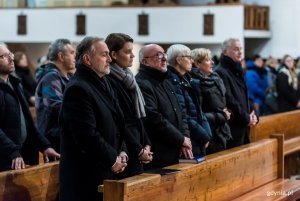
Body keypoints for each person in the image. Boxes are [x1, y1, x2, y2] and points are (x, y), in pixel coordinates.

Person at [59, 36, 128, 201]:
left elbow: (118, 122)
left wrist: (122, 150)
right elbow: (86, 134)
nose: (110, 59)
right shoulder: (78, 88)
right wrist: (113, 158)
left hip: (106, 168)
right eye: (104, 55)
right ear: (87, 59)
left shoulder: (104, 82)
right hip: (86, 177)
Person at [0, 44, 60, 171]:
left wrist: (44, 146)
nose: (11, 58)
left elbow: (27, 121)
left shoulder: (15, 83)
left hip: (21, 155)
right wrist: (12, 151)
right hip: (5, 158)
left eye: (11, 54)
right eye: (4, 56)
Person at [135, 44, 192, 169]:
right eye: (158, 55)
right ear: (145, 61)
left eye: (164, 54)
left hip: (177, 149)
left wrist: (185, 138)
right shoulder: (142, 83)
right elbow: (153, 118)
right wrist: (180, 139)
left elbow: (181, 112)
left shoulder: (166, 81)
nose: (164, 58)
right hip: (159, 154)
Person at [105, 33, 152, 177]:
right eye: (127, 51)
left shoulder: (128, 77)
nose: (132, 55)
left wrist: (147, 144)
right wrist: (138, 149)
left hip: (138, 144)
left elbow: (139, 117)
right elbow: (121, 121)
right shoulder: (110, 81)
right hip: (125, 150)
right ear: (113, 54)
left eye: (132, 51)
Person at [166, 44, 211, 157]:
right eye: (188, 57)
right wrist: (203, 135)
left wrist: (207, 133)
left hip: (198, 137)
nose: (192, 61)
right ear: (178, 60)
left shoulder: (187, 79)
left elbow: (199, 110)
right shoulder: (172, 81)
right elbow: (184, 114)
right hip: (190, 138)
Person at [215, 38, 258, 148]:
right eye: (235, 49)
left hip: (244, 126)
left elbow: (245, 96)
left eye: (240, 49)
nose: (240, 52)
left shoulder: (238, 70)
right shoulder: (220, 71)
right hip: (233, 128)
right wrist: (246, 118)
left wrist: (254, 115)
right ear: (225, 52)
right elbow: (229, 100)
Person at [35, 39, 75, 153]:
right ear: (61, 56)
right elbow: (55, 106)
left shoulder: (69, 77)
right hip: (54, 137)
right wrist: (81, 110)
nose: (74, 57)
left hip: (65, 134)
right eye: (71, 53)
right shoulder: (51, 77)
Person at [190, 48, 232, 154]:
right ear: (197, 63)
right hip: (208, 133)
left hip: (221, 131)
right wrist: (222, 115)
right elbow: (197, 114)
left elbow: (223, 103)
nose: (212, 62)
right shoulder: (195, 82)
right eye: (208, 60)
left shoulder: (215, 78)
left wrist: (228, 112)